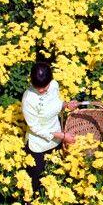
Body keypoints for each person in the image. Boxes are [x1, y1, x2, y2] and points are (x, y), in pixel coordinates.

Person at [21, 62, 79, 194]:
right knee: (36, 182)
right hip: (38, 146)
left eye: (44, 88)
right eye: (37, 87)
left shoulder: (54, 86)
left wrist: (66, 105)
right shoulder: (28, 99)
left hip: (57, 140)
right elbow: (34, 127)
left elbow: (55, 103)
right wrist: (62, 136)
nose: (41, 90)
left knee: (55, 175)